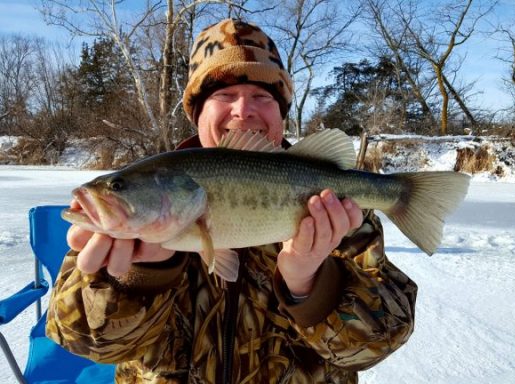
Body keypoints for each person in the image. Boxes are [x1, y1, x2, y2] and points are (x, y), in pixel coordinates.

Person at [46, 18, 417, 383]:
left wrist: (310, 283)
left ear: (281, 112)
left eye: (262, 96)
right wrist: (136, 280)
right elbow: (81, 342)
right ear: (197, 113)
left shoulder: (340, 212)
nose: (243, 111)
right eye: (223, 95)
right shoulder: (119, 234)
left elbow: (381, 340)